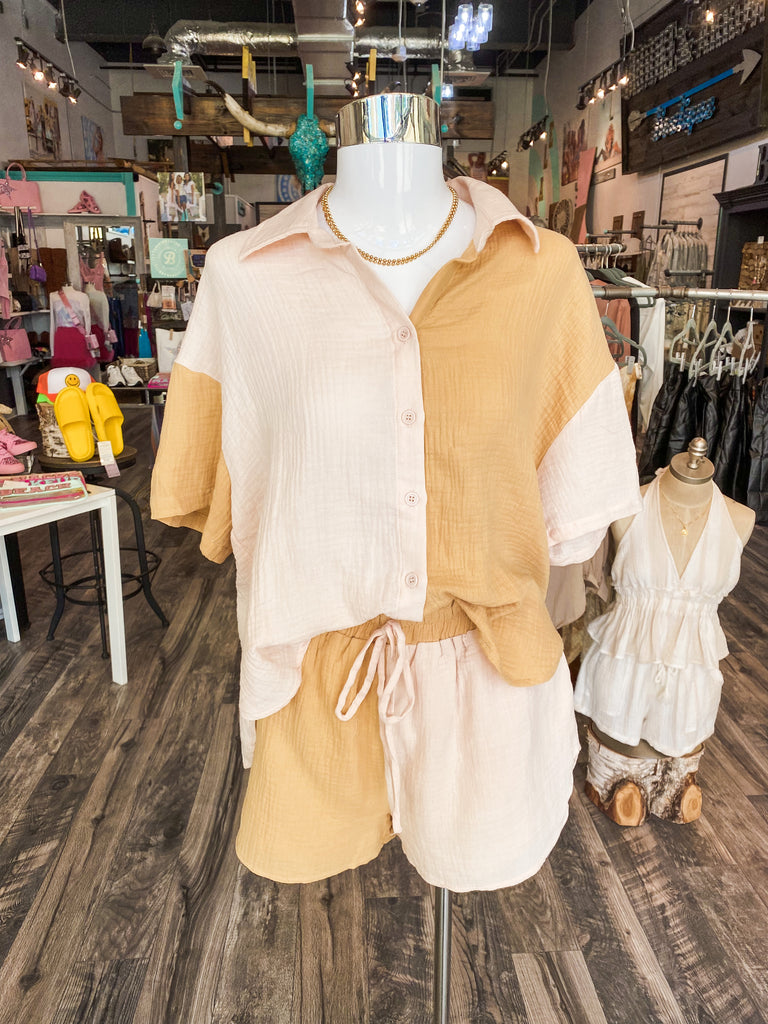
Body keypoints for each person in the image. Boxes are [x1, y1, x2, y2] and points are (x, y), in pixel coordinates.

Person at [151, 92, 641, 891]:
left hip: (489, 687)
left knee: (474, 863)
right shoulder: (243, 279)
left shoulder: (543, 272)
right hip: (315, 685)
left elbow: (576, 517)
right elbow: (201, 489)